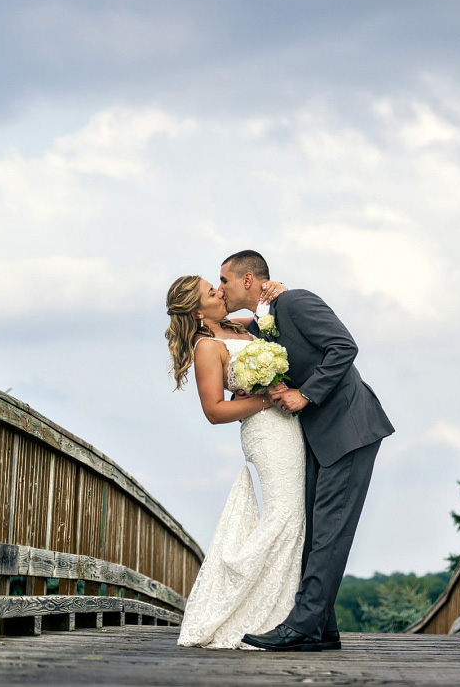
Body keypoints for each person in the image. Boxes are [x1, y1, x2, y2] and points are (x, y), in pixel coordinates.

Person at [218, 250, 395, 653]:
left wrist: (306, 393)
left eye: (224, 280)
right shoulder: (265, 324)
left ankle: (300, 626)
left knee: (329, 532)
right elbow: (239, 338)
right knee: (315, 533)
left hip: (349, 428)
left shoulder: (295, 301)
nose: (221, 288)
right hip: (318, 437)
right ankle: (321, 627)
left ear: (248, 280)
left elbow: (343, 346)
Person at [166, 274, 298, 650]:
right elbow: (214, 411)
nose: (220, 292)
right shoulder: (207, 347)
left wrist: (278, 295)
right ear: (196, 311)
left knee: (291, 514)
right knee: (285, 515)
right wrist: (268, 400)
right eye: (212, 292)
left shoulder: (238, 327)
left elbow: (270, 320)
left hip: (288, 425)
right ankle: (262, 617)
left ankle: (283, 614)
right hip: (265, 430)